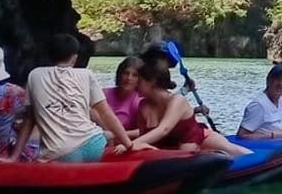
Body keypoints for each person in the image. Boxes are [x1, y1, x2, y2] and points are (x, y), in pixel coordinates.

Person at [13, 34, 133, 162]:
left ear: (48, 56)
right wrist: (128, 144)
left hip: (60, 152)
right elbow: (106, 112)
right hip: (95, 144)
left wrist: (13, 157)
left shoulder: (35, 75)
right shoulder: (86, 74)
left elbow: (29, 119)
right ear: (74, 58)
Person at [131, 60, 250, 156]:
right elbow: (144, 135)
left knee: (234, 151)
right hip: (171, 149)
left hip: (197, 139)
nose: (135, 85)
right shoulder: (143, 105)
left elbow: (164, 129)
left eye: (139, 81)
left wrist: (130, 145)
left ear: (152, 81)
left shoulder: (177, 100)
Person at [140, 44, 210, 118]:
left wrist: (185, 90)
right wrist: (193, 110)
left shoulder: (153, 78)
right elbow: (164, 109)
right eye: (166, 60)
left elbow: (166, 104)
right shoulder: (143, 77)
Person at [105, 57, 144, 136]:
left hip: (127, 141)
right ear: (119, 74)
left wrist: (114, 135)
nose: (129, 78)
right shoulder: (103, 94)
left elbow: (143, 131)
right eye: (126, 73)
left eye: (134, 75)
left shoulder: (140, 101)